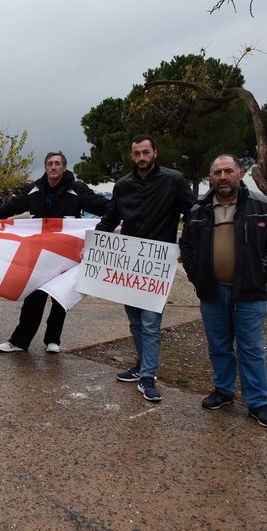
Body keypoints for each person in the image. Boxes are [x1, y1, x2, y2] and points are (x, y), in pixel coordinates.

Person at [179, 154, 267, 428]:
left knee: (251, 349)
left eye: (228, 171)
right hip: (212, 293)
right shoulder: (199, 210)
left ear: (240, 174)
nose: (222, 177)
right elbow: (187, 247)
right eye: (217, 172)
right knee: (218, 347)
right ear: (211, 178)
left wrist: (260, 274)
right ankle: (224, 391)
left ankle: (257, 403)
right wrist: (196, 277)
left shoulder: (263, 206)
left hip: (249, 294)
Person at [95, 135, 196, 401]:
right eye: (137, 153)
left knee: (151, 323)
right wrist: (91, 245)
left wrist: (187, 245)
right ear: (132, 156)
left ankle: (149, 376)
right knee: (135, 322)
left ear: (155, 153)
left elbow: (193, 213)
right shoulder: (122, 185)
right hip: (128, 266)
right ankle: (141, 366)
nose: (142, 157)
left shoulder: (173, 180)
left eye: (146, 152)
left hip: (157, 265)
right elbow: (109, 220)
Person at [0, 151, 109, 354]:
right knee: (32, 297)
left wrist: (125, 214)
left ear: (64, 167)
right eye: (50, 164)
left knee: (59, 297)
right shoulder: (34, 189)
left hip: (66, 253)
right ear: (45, 167)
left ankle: (53, 340)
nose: (54, 167)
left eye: (57, 164)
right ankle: (19, 341)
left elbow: (103, 207)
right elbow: (11, 207)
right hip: (38, 253)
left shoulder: (77, 189)